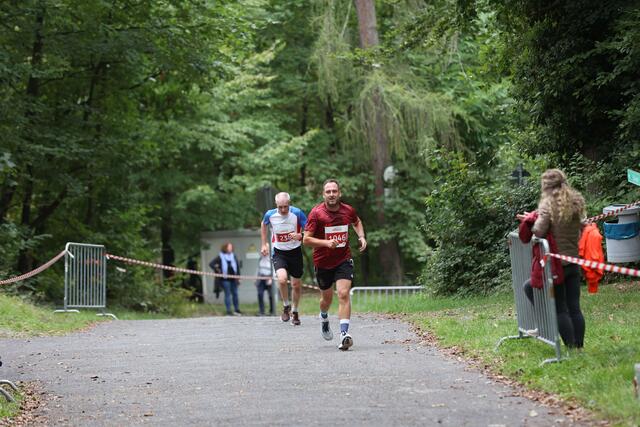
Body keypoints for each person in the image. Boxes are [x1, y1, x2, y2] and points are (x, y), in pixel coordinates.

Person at [303, 179, 366, 351]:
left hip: (343, 259)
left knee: (344, 294)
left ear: (339, 193)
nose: (331, 194)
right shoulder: (316, 213)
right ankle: (324, 317)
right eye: (328, 191)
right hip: (322, 262)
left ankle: (344, 334)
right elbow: (306, 240)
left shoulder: (348, 210)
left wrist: (361, 236)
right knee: (327, 299)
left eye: (334, 191)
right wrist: (326, 243)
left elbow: (356, 222)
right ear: (323, 194)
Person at [531, 168, 586, 349]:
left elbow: (539, 230)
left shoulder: (548, 204)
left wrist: (531, 221)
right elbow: (581, 226)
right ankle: (579, 346)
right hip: (573, 261)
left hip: (556, 264)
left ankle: (570, 347)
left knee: (561, 308)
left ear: (546, 185)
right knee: (574, 306)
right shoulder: (575, 200)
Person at [261, 192, 307, 325]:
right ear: (276, 205)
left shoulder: (297, 213)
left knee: (296, 285)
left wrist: (301, 235)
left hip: (295, 252)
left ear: (289, 204)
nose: (283, 210)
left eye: (285, 206)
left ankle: (295, 311)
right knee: (282, 279)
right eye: (280, 207)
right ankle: (286, 306)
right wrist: (264, 244)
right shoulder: (270, 215)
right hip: (279, 252)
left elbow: (310, 229)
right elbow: (263, 224)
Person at [209, 242, 242, 316]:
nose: (230, 248)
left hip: (234, 278)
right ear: (225, 248)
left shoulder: (234, 256)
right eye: (229, 247)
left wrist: (239, 277)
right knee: (227, 294)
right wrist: (217, 269)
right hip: (225, 279)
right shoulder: (220, 256)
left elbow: (237, 267)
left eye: (231, 247)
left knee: (235, 294)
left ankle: (237, 309)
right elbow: (211, 264)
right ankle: (228, 311)